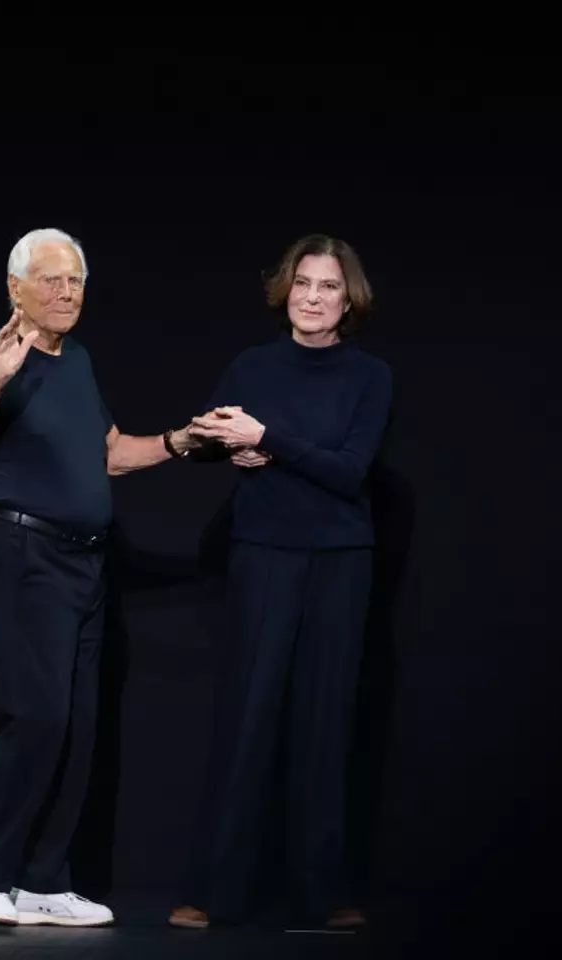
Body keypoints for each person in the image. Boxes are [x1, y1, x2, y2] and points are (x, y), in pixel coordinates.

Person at [0, 227, 203, 927]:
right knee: (38, 716)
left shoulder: (79, 361)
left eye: (76, 281)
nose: (66, 293)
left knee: (79, 725)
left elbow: (111, 454)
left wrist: (182, 442)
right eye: (52, 280)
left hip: (86, 563)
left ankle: (42, 878)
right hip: (22, 559)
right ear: (15, 289)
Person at [170, 234, 393, 929]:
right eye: (303, 283)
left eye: (328, 286)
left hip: (339, 560)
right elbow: (210, 441)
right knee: (249, 718)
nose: (313, 298)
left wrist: (267, 438)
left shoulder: (370, 375)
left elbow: (348, 470)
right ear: (285, 290)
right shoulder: (251, 365)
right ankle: (217, 891)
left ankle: (324, 893)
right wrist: (221, 445)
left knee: (324, 723)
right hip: (264, 553)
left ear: (348, 297)